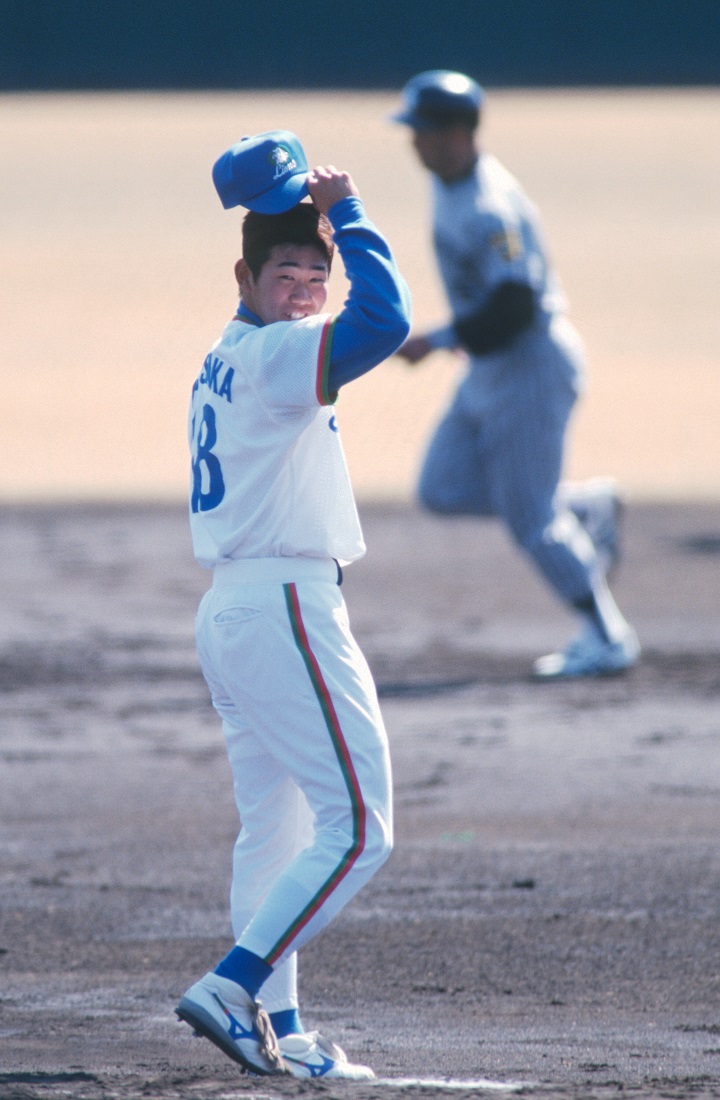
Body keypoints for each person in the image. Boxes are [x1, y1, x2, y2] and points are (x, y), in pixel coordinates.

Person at [175, 131, 411, 1078]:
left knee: (273, 834)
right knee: (361, 828)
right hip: (279, 607)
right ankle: (234, 987)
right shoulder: (276, 357)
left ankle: (281, 1026)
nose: (307, 286)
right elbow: (384, 323)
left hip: (237, 615)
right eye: (288, 271)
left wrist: (320, 227)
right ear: (245, 274)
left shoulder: (225, 357)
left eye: (319, 271)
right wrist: (351, 216)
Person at [390, 71, 640, 678]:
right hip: (491, 369)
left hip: (529, 367)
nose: (412, 142)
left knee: (531, 520)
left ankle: (608, 636)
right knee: (442, 488)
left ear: (456, 133)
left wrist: (437, 339)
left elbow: (516, 305)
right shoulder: (451, 185)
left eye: (421, 130)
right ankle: (584, 509)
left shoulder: (487, 204)